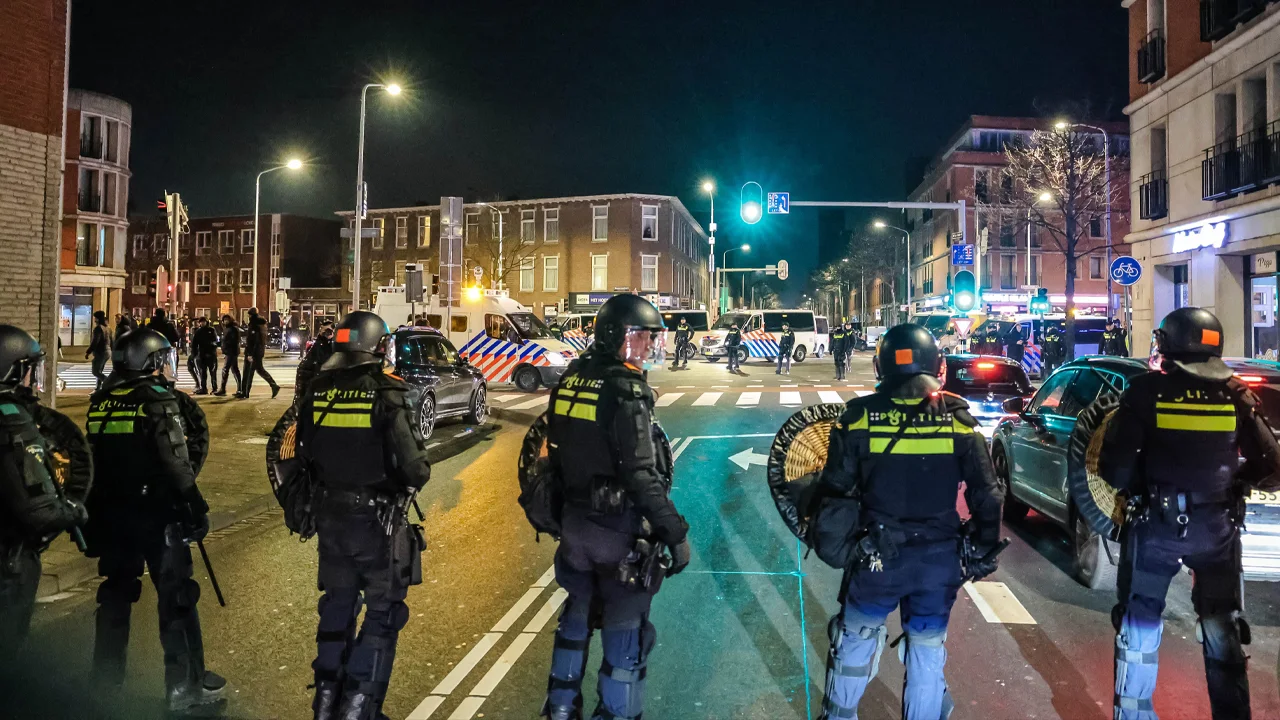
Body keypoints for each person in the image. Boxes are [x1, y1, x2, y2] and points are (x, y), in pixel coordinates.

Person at [1098, 307, 1280, 720]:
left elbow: (1114, 468)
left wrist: (1142, 483)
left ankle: (1134, 713)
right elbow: (1272, 467)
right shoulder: (1235, 395)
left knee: (1139, 625)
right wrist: (1234, 481)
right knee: (1221, 624)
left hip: (1156, 528)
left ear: (1166, 345)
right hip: (1217, 528)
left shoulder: (1145, 393)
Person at [814, 323, 1003, 720]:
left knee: (855, 641)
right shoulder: (957, 420)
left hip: (876, 558)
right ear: (937, 366)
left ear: (881, 367)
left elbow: (834, 491)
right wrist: (984, 547)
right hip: (938, 559)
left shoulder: (858, 419)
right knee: (927, 650)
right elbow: (987, 495)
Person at [541, 294, 690, 720]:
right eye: (641, 337)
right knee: (627, 634)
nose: (648, 347)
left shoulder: (572, 379)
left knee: (576, 617)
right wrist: (675, 533)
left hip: (574, 528)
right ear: (617, 337)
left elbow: (552, 450)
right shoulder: (627, 391)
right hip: (617, 534)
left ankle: (560, 708)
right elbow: (641, 473)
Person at [81, 328, 227, 712]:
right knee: (176, 600)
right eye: (164, 359)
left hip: (112, 516)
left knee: (114, 595)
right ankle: (184, 690)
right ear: (152, 361)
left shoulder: (102, 402)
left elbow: (90, 461)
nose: (167, 366)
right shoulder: (159, 401)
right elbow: (176, 462)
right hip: (158, 516)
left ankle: (104, 683)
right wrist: (195, 506)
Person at [295, 311, 431, 720]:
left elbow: (301, 452)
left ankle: (325, 706)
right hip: (376, 524)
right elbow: (415, 470)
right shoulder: (387, 392)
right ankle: (359, 708)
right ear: (378, 346)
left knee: (336, 607)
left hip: (330, 519)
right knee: (382, 614)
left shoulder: (317, 390)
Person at [0, 326, 90, 662]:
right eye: (29, 369)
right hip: (8, 561)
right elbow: (38, 506)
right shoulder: (12, 419)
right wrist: (73, 511)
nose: (32, 378)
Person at [239, 308, 280, 399]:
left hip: (254, 352)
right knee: (257, 370)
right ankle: (273, 385)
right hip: (258, 351)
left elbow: (254, 341)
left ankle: (245, 392)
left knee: (249, 372)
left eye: (249, 315)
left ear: (251, 315)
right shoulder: (261, 324)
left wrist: (250, 354)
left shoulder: (255, 325)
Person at [294, 318, 335, 404]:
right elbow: (304, 370)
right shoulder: (316, 347)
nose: (328, 333)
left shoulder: (337, 347)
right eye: (326, 331)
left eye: (330, 330)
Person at [190, 317, 219, 395]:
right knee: (203, 372)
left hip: (211, 354)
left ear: (206, 322)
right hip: (202, 355)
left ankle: (214, 388)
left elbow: (215, 341)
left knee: (212, 372)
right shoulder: (198, 331)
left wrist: (212, 348)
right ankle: (204, 388)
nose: (202, 323)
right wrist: (194, 354)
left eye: (203, 322)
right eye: (201, 322)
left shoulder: (211, 330)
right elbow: (194, 344)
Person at [215, 315, 242, 397]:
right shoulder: (226, 328)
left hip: (231, 352)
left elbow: (235, 341)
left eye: (227, 320)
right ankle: (239, 389)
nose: (225, 321)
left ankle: (223, 389)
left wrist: (228, 349)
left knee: (226, 370)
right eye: (224, 320)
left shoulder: (233, 329)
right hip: (229, 352)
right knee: (234, 370)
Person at [149, 309, 179, 378]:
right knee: (168, 370)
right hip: (166, 348)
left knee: (154, 369)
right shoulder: (169, 325)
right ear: (164, 315)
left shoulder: (150, 325)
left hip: (153, 349)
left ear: (155, 314)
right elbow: (176, 337)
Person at [86, 310, 111, 391]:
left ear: (97, 319)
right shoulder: (107, 328)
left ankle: (109, 383)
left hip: (101, 352)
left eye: (95, 318)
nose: (94, 319)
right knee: (99, 370)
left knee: (95, 371)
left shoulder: (98, 328)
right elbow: (112, 340)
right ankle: (98, 388)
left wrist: (88, 352)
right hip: (107, 351)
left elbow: (95, 342)